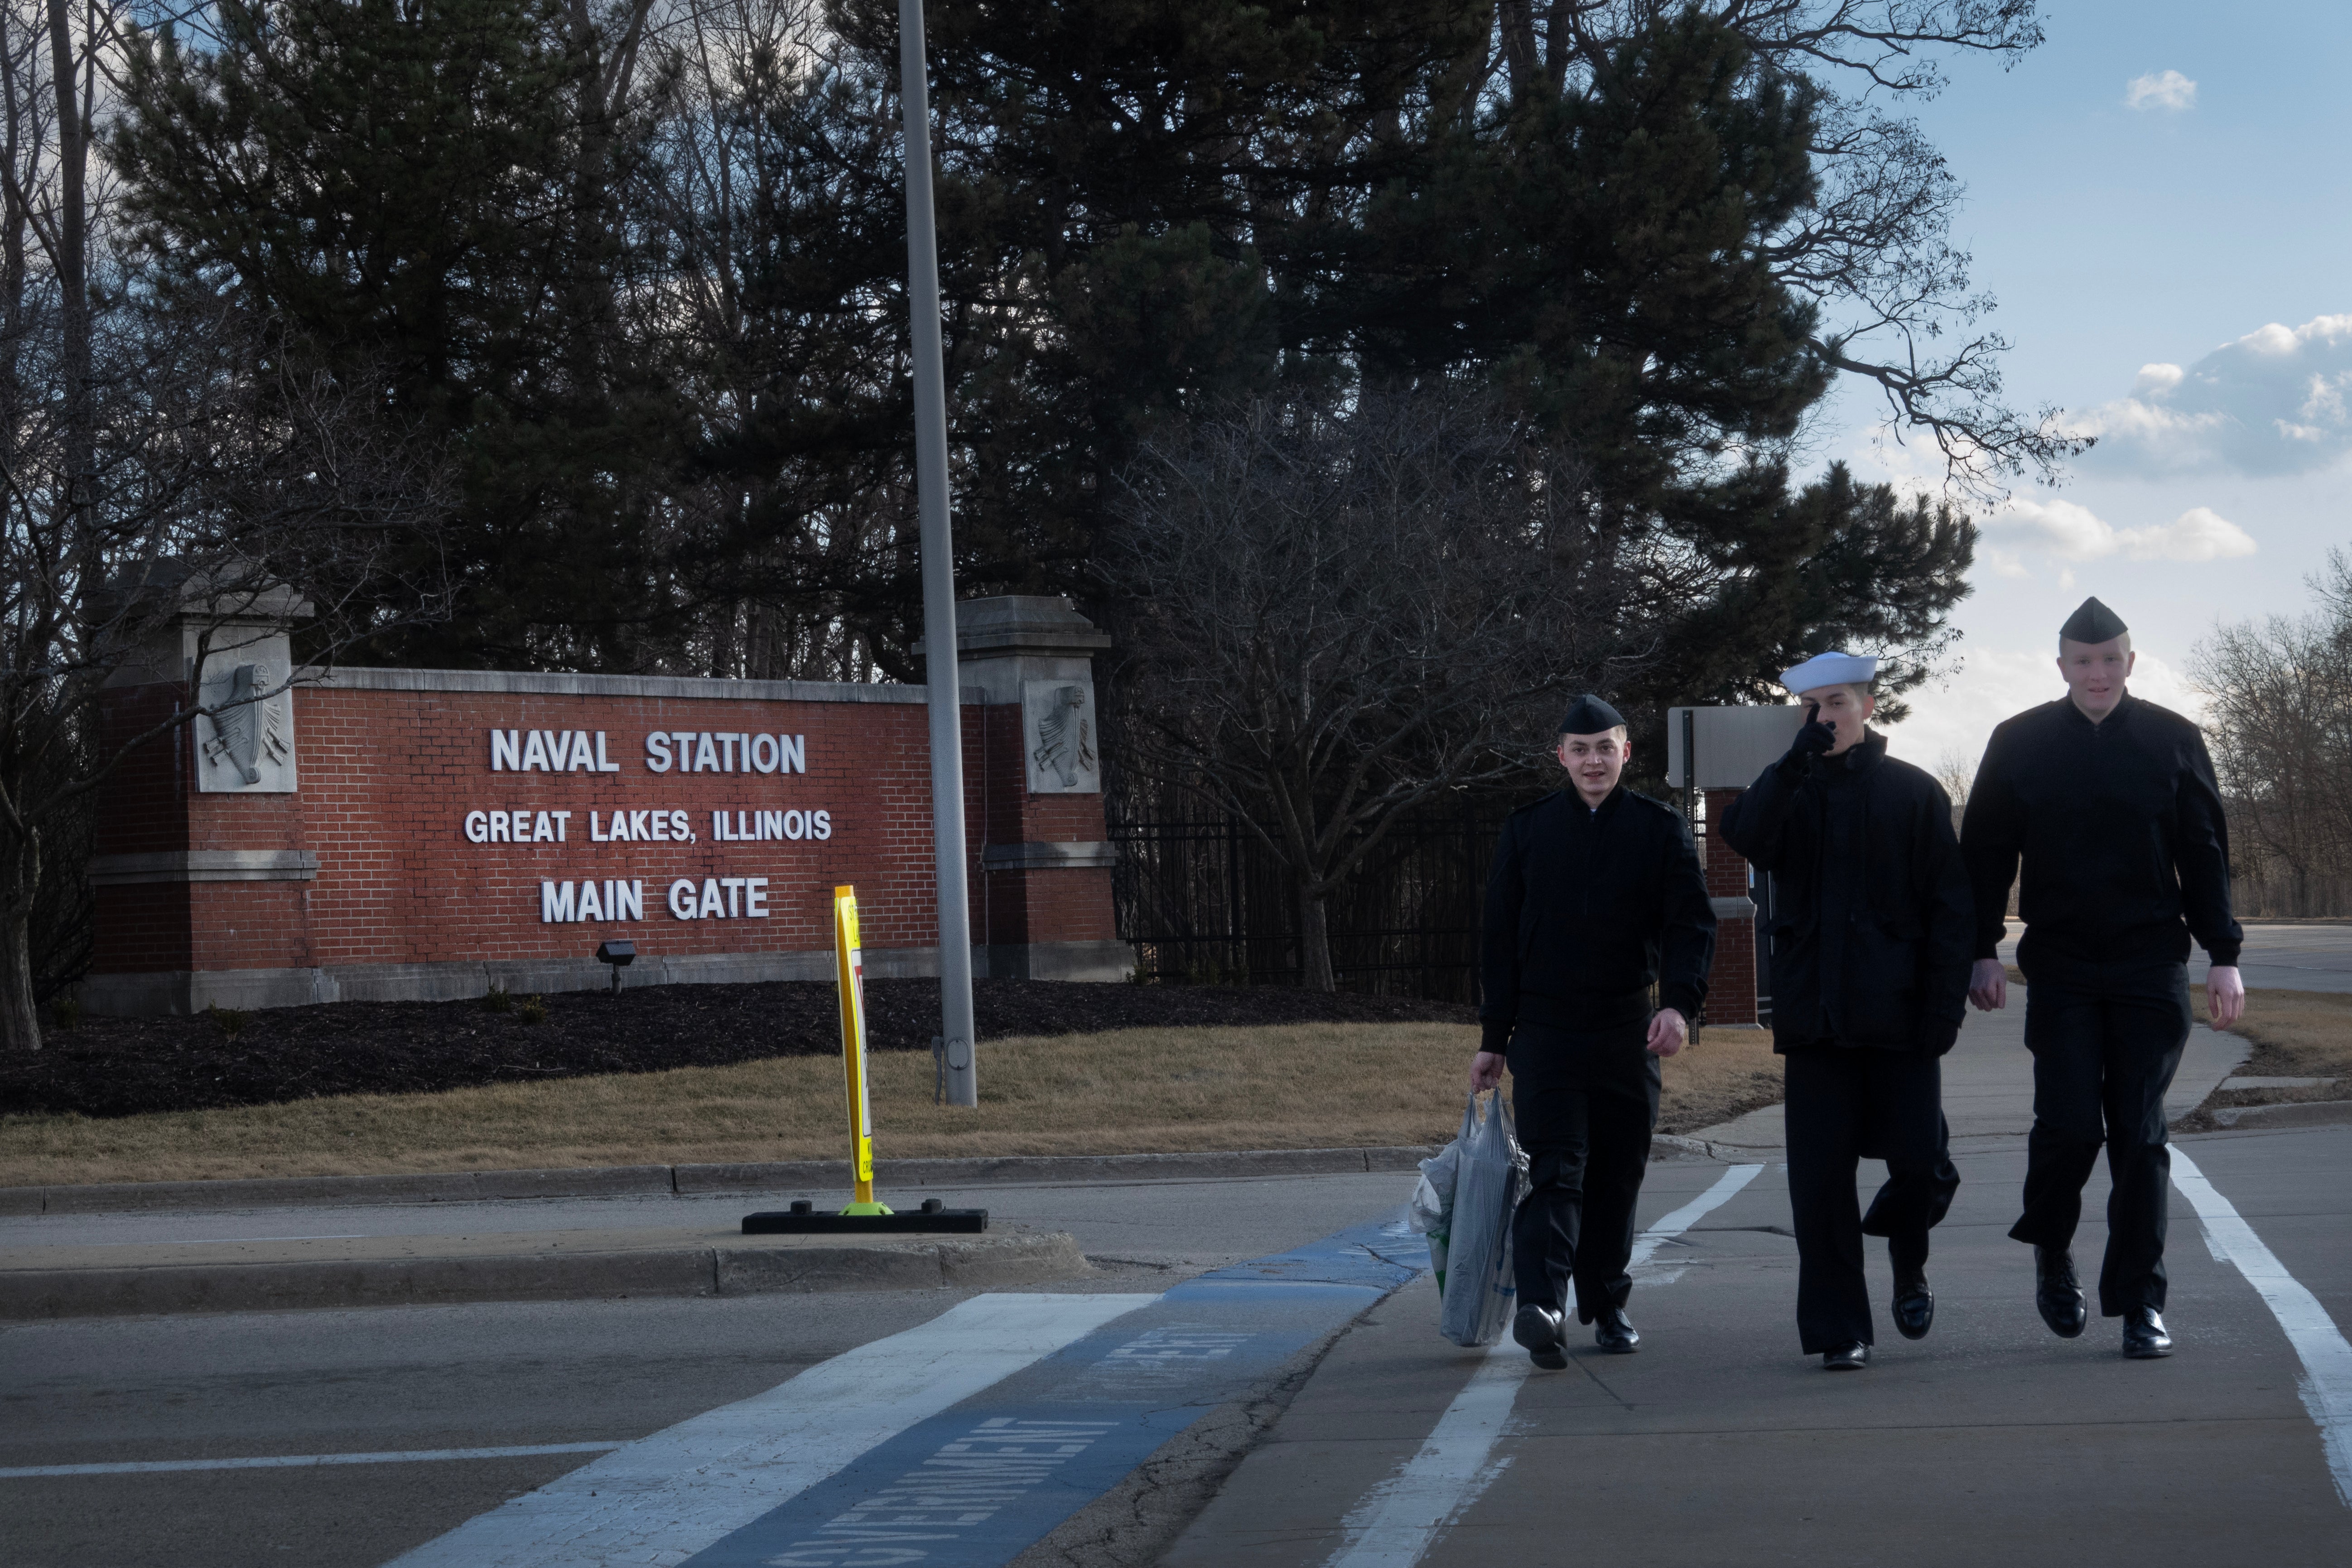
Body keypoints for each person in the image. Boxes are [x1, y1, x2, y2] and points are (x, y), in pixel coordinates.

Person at [1962, 597, 2245, 1360]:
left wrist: (2224, 953)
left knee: (2139, 1133)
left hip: (2150, 962)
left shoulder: (2174, 740)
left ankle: (2139, 1303)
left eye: (2110, 658)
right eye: (2083, 661)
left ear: (2131, 660)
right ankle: (2053, 1249)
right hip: (2060, 967)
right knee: (2069, 1126)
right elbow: (1985, 854)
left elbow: (2205, 852)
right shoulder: (2018, 743)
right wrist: (1982, 948)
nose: (2098, 672)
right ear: (2062, 666)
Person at [1719, 653, 1971, 1371]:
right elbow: (1745, 836)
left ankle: (1909, 1262)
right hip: (1817, 1020)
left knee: (1920, 1165)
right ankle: (1840, 1328)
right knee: (1821, 1183)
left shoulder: (1916, 793)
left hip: (1901, 1018)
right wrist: (1793, 763)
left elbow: (1951, 910)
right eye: (1812, 707)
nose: (1826, 716)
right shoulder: (1789, 792)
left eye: (1838, 702)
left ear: (1866, 704)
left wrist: (1942, 1010)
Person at [1473, 695, 1716, 1370]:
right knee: (1555, 1169)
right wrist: (1495, 1036)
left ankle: (1607, 1305)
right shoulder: (1527, 831)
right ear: (1561, 756)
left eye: (1605, 747)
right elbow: (1499, 939)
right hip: (1546, 1031)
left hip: (1625, 1028)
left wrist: (1679, 1006)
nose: (1592, 761)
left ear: (1625, 752)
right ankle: (1543, 1306)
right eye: (1579, 749)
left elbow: (1690, 925)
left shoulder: (1658, 829)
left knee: (1616, 1173)